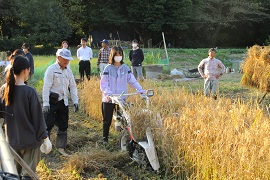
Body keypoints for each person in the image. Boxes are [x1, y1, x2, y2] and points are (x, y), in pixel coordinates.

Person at [0, 56, 51, 179]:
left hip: (12, 142)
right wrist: (45, 138)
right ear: (25, 70)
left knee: (13, 176)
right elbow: (38, 119)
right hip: (30, 143)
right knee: (28, 176)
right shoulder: (29, 92)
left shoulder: (4, 89)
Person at [100, 46, 145, 144]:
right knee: (107, 120)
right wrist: (108, 94)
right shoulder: (108, 68)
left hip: (121, 98)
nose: (118, 56)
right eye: (116, 55)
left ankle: (124, 137)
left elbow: (132, 81)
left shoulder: (125, 68)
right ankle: (105, 138)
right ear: (112, 56)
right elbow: (103, 84)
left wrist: (141, 91)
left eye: (120, 54)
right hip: (109, 98)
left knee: (124, 119)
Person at [42, 48, 79, 156]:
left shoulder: (68, 70)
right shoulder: (51, 70)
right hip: (52, 102)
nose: (67, 61)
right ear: (58, 58)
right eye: (65, 59)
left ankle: (61, 147)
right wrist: (45, 103)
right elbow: (46, 87)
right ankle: (45, 149)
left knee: (63, 126)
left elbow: (72, 86)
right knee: (47, 126)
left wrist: (75, 101)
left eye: (68, 60)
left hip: (63, 102)